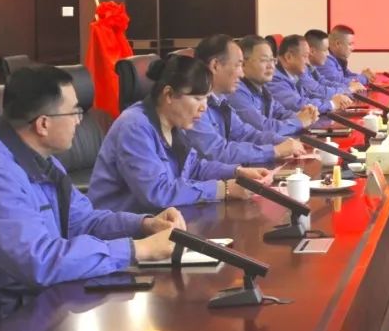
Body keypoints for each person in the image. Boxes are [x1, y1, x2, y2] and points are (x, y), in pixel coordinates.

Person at [0, 66, 180, 328]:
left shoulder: (39, 158)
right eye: (75, 112)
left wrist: (143, 225)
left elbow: (82, 221)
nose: (80, 120)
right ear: (43, 124)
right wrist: (140, 249)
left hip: (35, 305)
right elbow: (40, 262)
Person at [90, 56, 273, 213]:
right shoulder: (134, 126)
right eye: (197, 98)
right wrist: (223, 189)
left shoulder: (174, 123)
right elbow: (157, 193)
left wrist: (237, 172)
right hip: (122, 232)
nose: (204, 107)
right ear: (169, 94)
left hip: (162, 220)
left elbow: (194, 167)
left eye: (206, 98)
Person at [185, 35, 304, 164]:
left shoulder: (221, 100)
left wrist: (282, 141)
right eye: (238, 65)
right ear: (215, 66)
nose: (242, 74)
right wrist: (274, 151)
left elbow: (245, 134)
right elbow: (217, 152)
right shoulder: (192, 104)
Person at [228, 35, 318, 138]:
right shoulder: (236, 92)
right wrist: (299, 122)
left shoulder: (263, 89)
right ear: (243, 64)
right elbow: (263, 127)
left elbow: (280, 113)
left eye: (272, 60)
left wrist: (305, 115)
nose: (271, 66)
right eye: (264, 60)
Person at [270, 33, 354, 113]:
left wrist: (333, 98)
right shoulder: (274, 78)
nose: (307, 62)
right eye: (305, 56)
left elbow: (308, 95)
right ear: (288, 57)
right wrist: (332, 104)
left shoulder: (292, 74)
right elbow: (298, 105)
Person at [317, 24, 375, 89]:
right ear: (338, 44)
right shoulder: (325, 60)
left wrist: (364, 76)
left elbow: (347, 75)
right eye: (350, 44)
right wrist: (364, 78)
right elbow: (340, 82)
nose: (353, 48)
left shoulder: (337, 58)